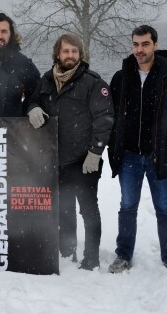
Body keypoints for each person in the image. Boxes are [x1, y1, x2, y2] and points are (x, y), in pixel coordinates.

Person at [107, 25, 167, 273]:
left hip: (160, 155)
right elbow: (111, 115)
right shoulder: (121, 77)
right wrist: (116, 145)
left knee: (164, 207)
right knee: (127, 206)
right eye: (135, 44)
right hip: (129, 156)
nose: (139, 49)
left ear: (155, 44)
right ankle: (123, 255)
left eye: (145, 44)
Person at [28, 33, 113, 270]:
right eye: (66, 51)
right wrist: (33, 107)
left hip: (85, 160)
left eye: (74, 51)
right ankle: (67, 253)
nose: (70, 55)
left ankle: (92, 258)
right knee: (64, 208)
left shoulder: (93, 83)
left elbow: (104, 118)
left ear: (80, 55)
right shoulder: (46, 80)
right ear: (57, 54)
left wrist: (95, 152)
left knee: (88, 210)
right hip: (57, 159)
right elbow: (30, 100)